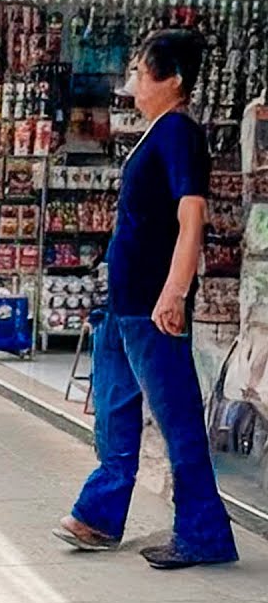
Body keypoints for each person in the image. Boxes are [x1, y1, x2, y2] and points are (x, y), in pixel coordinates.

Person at [54, 29, 239, 570]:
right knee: (114, 412)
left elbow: (192, 219)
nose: (131, 79)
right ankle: (98, 517)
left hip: (153, 307)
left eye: (141, 69)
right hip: (125, 303)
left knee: (177, 417)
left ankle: (203, 532)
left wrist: (174, 293)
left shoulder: (179, 133)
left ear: (173, 79)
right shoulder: (156, 131)